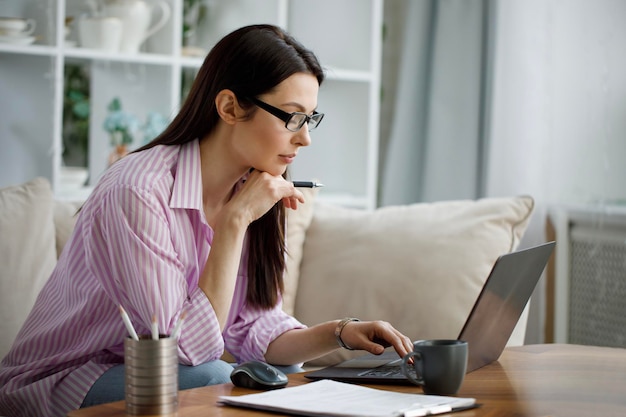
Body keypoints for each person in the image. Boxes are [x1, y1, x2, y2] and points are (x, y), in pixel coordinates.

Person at [0, 24, 413, 416]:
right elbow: (184, 350)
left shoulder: (252, 188)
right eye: (292, 116)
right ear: (230, 107)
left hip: (150, 374)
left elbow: (254, 328)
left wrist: (341, 332)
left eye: (310, 118)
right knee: (215, 380)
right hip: (61, 380)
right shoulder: (137, 191)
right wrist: (233, 224)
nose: (305, 138)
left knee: (282, 377)